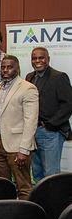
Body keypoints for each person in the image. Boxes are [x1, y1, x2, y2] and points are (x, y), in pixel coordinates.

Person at [0, 55, 39, 199]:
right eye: (3, 67)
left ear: (17, 69)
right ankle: (6, 216)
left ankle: (24, 218)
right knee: (1, 186)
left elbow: (31, 121)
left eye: (9, 67)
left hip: (17, 145)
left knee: (23, 186)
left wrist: (24, 149)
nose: (5, 70)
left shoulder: (28, 88)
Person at [25, 47, 72, 183]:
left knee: (51, 175)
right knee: (37, 172)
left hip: (50, 132)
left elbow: (68, 104)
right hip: (32, 132)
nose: (38, 61)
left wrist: (50, 125)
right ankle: (40, 203)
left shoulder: (59, 77)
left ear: (48, 59)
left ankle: (54, 204)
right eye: (34, 58)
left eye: (41, 58)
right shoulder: (29, 77)